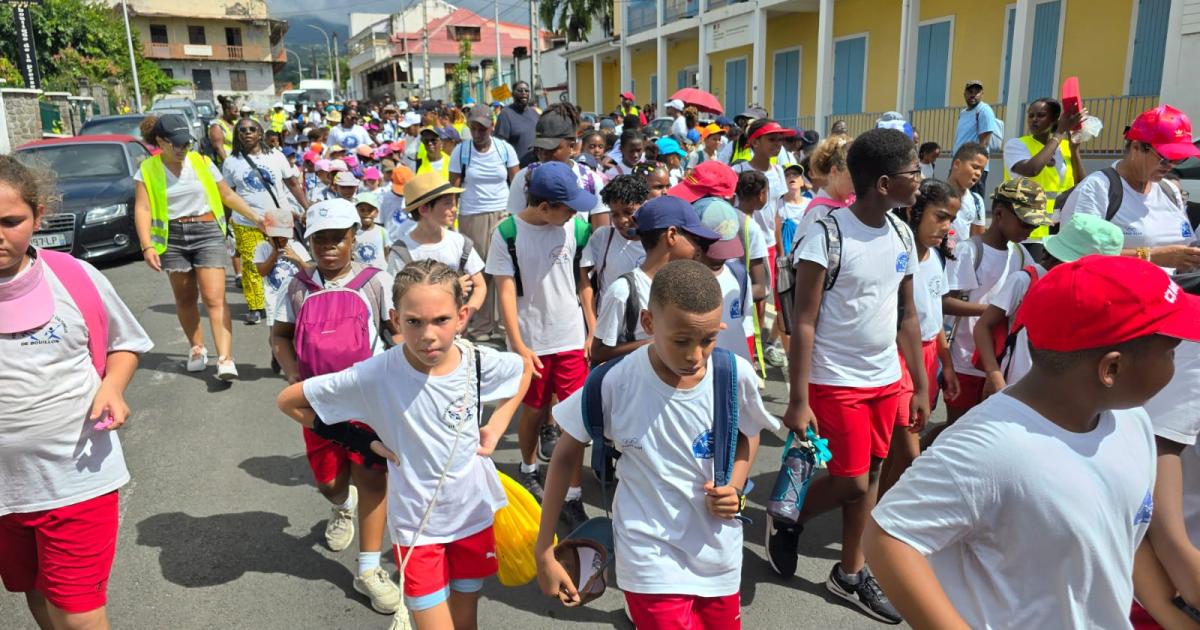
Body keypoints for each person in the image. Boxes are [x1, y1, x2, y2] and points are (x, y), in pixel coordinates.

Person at [864, 255, 1195, 628]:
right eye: (1170, 351)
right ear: (1112, 369)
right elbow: (888, 537)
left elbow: (1117, 545)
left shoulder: (1131, 423)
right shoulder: (989, 448)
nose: (1176, 361)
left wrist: (1175, 617)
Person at [277, 259, 532, 630]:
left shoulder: (477, 361)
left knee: (466, 620)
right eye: (414, 321)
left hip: (473, 515)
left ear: (462, 317)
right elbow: (289, 400)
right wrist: (360, 440)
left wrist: (496, 424)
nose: (428, 334)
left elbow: (523, 368)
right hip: (418, 528)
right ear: (395, 319)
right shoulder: (375, 373)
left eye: (441, 320)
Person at [536, 259, 779, 628]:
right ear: (649, 323)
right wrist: (544, 549)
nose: (695, 355)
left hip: (718, 553)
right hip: (646, 551)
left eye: (708, 339)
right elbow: (565, 454)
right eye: (681, 340)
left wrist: (735, 484)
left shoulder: (733, 374)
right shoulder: (613, 382)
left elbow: (749, 434)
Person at [773, 128, 927, 624]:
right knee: (852, 481)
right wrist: (799, 399)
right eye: (913, 172)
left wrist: (919, 384)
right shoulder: (827, 234)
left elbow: (906, 314)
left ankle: (850, 573)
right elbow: (804, 319)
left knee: (874, 475)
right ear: (883, 182)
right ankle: (789, 516)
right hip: (835, 380)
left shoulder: (902, 232)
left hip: (885, 379)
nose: (921, 179)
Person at [0, 155, 153, 630]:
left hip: (76, 480)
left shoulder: (74, 277)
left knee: (79, 612)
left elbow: (126, 343)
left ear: (38, 216)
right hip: (7, 494)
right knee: (37, 590)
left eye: (11, 221)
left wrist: (113, 386)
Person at [269, 198, 401, 614]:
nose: (328, 247)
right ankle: (343, 507)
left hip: (368, 404)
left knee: (373, 480)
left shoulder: (377, 282)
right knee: (329, 482)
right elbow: (280, 337)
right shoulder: (296, 286)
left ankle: (367, 569)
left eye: (337, 239)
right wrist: (293, 375)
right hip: (317, 405)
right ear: (309, 241)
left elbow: (395, 334)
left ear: (353, 238)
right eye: (319, 239)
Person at [484, 162, 594, 528]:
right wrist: (518, 345)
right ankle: (528, 468)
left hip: (571, 337)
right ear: (544, 206)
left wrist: (591, 330)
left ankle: (574, 494)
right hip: (531, 341)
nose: (575, 212)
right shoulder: (508, 232)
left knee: (573, 418)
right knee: (532, 411)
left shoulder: (576, 229)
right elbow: (505, 291)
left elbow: (583, 284)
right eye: (567, 206)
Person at [132, 114, 263, 380]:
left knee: (215, 298)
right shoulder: (147, 169)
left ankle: (226, 358)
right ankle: (197, 348)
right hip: (172, 238)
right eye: (176, 144)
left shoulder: (202, 162)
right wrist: (147, 246)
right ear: (160, 141)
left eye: (186, 144)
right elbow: (143, 208)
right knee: (185, 298)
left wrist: (257, 218)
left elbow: (227, 194)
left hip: (207, 232)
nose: (182, 149)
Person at [974, 213, 1124, 398]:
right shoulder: (1024, 281)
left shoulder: (1093, 292)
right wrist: (994, 374)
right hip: (1015, 387)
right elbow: (983, 326)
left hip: (1062, 394)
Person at [877, 181, 961, 498]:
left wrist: (947, 364)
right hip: (899, 357)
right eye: (940, 216)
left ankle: (871, 519)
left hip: (929, 358)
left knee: (898, 457)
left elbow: (934, 317)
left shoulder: (937, 257)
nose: (946, 227)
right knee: (912, 457)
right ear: (914, 210)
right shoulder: (897, 252)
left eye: (951, 219)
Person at [941, 178, 1050, 423]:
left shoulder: (1021, 254)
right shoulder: (968, 251)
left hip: (1000, 360)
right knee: (957, 429)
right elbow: (946, 302)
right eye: (1024, 222)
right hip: (964, 360)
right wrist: (994, 311)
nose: (1029, 230)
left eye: (1033, 224)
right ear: (999, 214)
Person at [1059, 104, 1200, 271]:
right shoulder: (1097, 189)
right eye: (1165, 158)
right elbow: (1075, 256)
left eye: (1179, 159)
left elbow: (1186, 245)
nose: (1171, 166)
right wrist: (1149, 257)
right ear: (1136, 147)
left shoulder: (1169, 191)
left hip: (1170, 293)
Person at [590, 196, 719, 364]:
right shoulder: (624, 291)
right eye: (696, 240)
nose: (700, 249)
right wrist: (658, 343)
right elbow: (599, 352)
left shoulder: (689, 283)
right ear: (671, 235)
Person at [222, 116, 310, 325]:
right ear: (237, 135)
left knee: (287, 259)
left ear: (260, 133)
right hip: (246, 222)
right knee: (253, 265)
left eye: (252, 129)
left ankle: (292, 298)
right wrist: (227, 224)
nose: (247, 133)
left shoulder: (276, 156)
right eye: (242, 130)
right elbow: (228, 195)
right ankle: (256, 306)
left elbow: (292, 183)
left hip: (278, 220)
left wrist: (307, 207)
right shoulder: (231, 162)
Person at [450, 105, 520, 341]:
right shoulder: (461, 151)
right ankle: (480, 327)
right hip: (472, 215)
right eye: (473, 128)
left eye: (482, 127)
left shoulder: (504, 149)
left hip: (502, 214)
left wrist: (516, 214)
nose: (478, 133)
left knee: (502, 268)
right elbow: (454, 189)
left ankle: (502, 326)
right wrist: (451, 219)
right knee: (478, 272)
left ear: (492, 126)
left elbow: (517, 182)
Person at [387, 172, 486, 322]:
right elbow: (395, 296)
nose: (454, 209)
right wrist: (449, 289)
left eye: (454, 203)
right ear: (423, 209)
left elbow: (480, 286)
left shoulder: (460, 243)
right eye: (447, 203)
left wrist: (463, 319)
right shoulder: (402, 251)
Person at [505, 106, 610, 229]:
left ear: (572, 147)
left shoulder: (591, 180)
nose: (543, 153)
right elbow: (515, 227)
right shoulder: (524, 178)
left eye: (551, 148)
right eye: (539, 148)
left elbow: (600, 236)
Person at [1004, 98, 1087, 238]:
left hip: (1059, 230)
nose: (1034, 120)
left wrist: (1075, 151)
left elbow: (1083, 185)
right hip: (1027, 230)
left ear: (1055, 119)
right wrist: (1059, 133)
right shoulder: (1016, 145)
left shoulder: (1066, 147)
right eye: (1031, 115)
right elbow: (1032, 169)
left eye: (1041, 115)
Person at [581, 175, 649, 296]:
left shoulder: (656, 241)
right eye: (615, 214)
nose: (622, 220)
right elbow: (583, 275)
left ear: (645, 205)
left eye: (629, 212)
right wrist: (591, 315)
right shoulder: (603, 237)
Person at [252, 208, 310, 332]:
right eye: (276, 237)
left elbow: (310, 272)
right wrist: (274, 254)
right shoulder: (262, 248)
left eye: (284, 237)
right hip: (274, 302)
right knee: (276, 337)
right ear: (267, 234)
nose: (281, 241)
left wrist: (297, 259)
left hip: (296, 300)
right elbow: (262, 271)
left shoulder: (296, 246)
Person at [952, 80, 1002, 198]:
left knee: (974, 203)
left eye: (977, 92)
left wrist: (975, 167)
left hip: (973, 166)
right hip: (959, 163)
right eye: (970, 91)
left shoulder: (984, 110)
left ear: (982, 94)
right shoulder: (963, 113)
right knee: (955, 201)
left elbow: (983, 144)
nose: (973, 94)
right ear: (964, 93)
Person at [945, 142, 989, 254]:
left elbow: (977, 242)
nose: (979, 173)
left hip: (960, 262)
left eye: (982, 170)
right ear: (957, 164)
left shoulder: (977, 202)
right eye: (975, 167)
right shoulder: (935, 195)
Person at [495, 81, 540, 165]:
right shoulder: (505, 114)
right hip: (516, 169)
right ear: (512, 94)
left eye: (526, 91)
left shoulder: (535, 113)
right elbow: (499, 146)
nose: (524, 93)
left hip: (535, 167)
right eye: (520, 90)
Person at [353, 190, 390, 271]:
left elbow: (387, 253)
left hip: (380, 274)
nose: (366, 213)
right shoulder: (352, 232)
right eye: (362, 210)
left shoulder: (382, 231)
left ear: (376, 212)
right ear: (355, 211)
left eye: (370, 210)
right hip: (360, 276)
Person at [381, 166, 414, 244]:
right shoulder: (384, 198)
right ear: (392, 180)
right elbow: (380, 223)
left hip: (409, 243)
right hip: (390, 243)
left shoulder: (414, 197)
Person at [209, 96, 238, 165]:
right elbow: (218, 147)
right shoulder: (217, 126)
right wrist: (228, 165)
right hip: (225, 164)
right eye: (235, 112)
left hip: (237, 162)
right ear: (227, 111)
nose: (238, 114)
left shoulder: (235, 123)